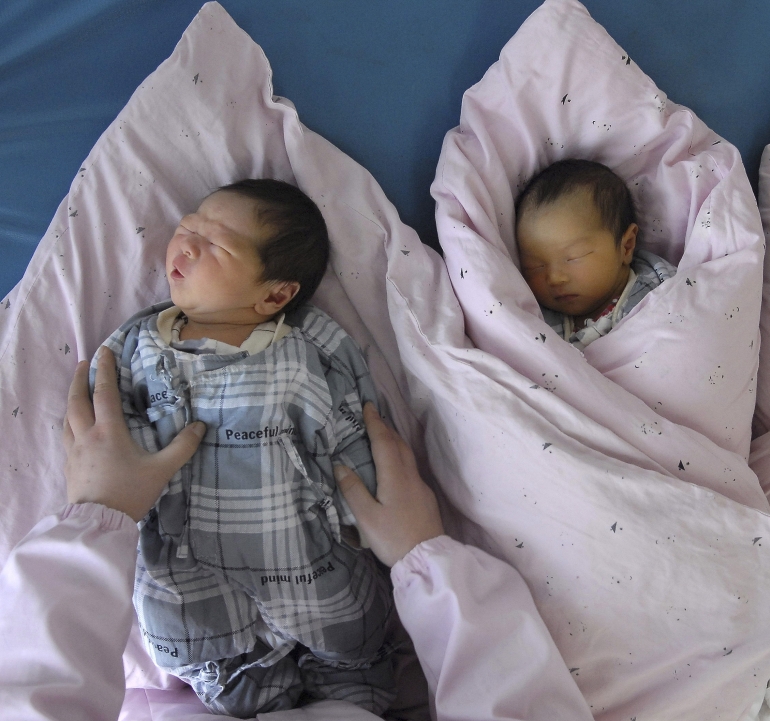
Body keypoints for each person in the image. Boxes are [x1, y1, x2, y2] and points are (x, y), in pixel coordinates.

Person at [0, 348, 594, 721]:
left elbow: (28, 688)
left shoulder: (304, 350)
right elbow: (510, 693)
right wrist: (425, 556)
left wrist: (100, 514)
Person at [92, 179, 395, 715]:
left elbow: (355, 414)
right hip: (191, 580)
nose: (185, 245)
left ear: (275, 295)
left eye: (216, 245)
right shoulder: (139, 343)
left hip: (308, 559)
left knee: (357, 664)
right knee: (232, 688)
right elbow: (111, 418)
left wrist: (371, 506)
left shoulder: (308, 347)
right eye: (187, 228)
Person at [515, 159, 675, 350]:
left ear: (626, 246)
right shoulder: (536, 319)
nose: (555, 278)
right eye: (534, 266)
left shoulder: (661, 293)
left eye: (574, 257)